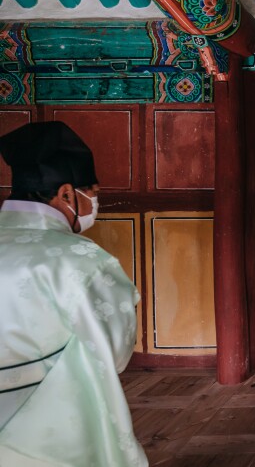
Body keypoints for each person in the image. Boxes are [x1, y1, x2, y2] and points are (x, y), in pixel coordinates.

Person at [0, 122, 147, 466]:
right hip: (47, 429)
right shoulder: (82, 260)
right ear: (67, 194)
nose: (95, 202)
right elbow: (113, 351)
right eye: (92, 192)